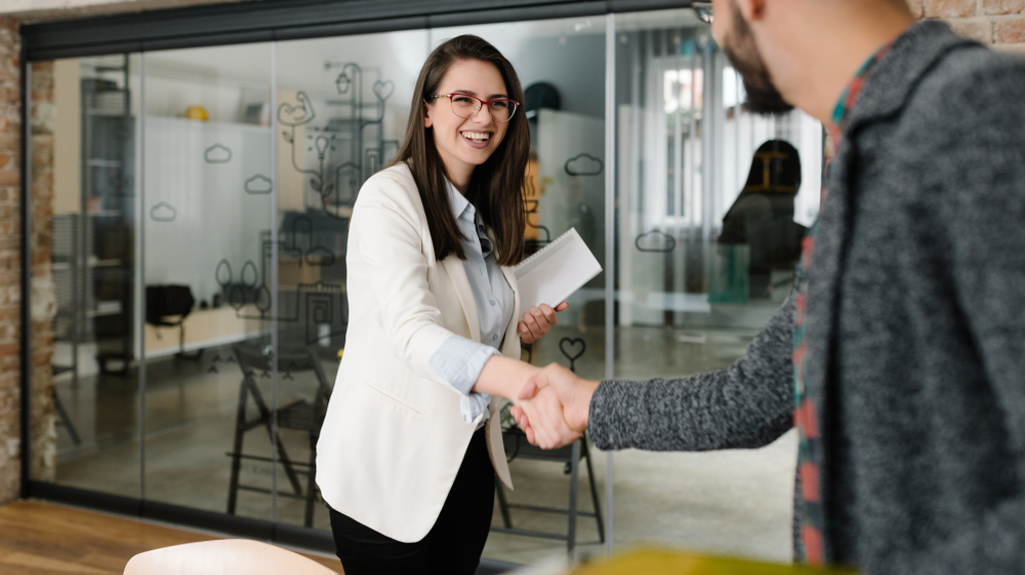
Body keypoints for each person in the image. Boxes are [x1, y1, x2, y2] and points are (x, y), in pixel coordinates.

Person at [514, 0, 1025, 573]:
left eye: (711, 12)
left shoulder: (986, 115)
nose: (719, 32)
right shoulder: (863, 160)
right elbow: (753, 398)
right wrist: (591, 402)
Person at [315, 35, 577, 575]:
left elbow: (473, 326)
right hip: (386, 470)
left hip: (465, 460)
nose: (483, 115)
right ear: (428, 110)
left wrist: (519, 329)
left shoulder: (488, 211)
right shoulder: (389, 197)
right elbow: (413, 331)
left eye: (498, 103)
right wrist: (525, 383)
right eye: (463, 99)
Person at [718, 139, 806, 299]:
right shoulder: (757, 203)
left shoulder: (758, 201)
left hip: (752, 294)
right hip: (745, 298)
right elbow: (767, 248)